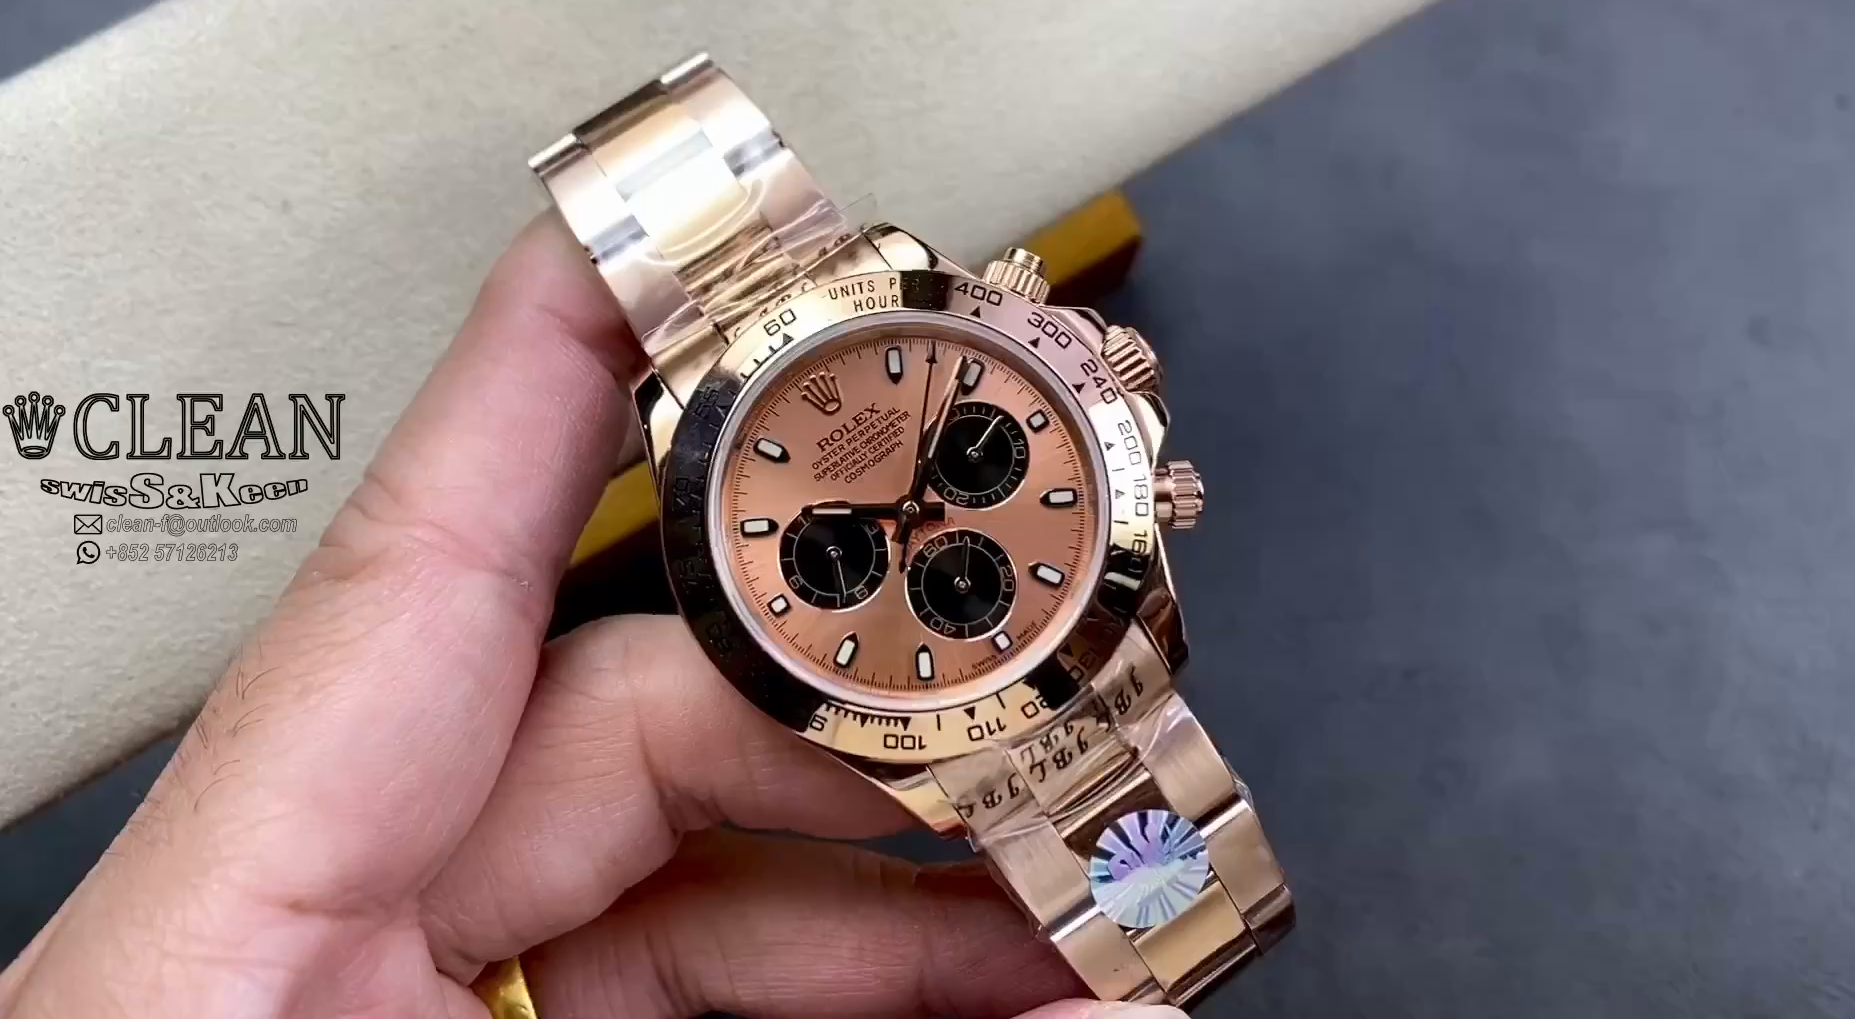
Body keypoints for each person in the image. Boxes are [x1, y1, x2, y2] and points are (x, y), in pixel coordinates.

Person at [0, 218, 1187, 1019]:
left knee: (1157, 900)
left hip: (1065, 634)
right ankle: (1178, 909)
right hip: (930, 688)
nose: (921, 513)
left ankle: (1180, 909)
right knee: (1148, 908)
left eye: (951, 473)